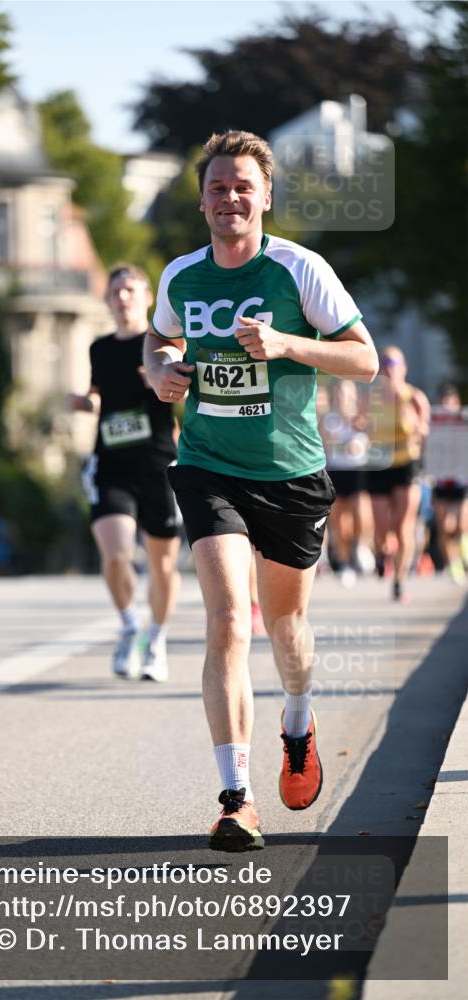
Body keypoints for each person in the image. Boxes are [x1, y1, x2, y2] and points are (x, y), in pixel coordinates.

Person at [144, 130, 378, 851]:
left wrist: (285, 345)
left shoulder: (298, 269)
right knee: (225, 621)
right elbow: (158, 344)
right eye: (217, 187)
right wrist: (160, 373)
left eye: (242, 185)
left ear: (265, 196)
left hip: (291, 474)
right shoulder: (181, 276)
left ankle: (298, 721)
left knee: (286, 633)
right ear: (203, 201)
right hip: (208, 465)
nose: (229, 197)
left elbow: (362, 359)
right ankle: (235, 798)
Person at [69, 264, 181, 682]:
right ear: (107, 300)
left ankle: (157, 638)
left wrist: (159, 377)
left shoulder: (164, 344)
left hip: (156, 463)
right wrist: (83, 403)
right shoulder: (99, 348)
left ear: (148, 297)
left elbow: (181, 389)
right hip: (111, 462)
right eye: (115, 291)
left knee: (162, 564)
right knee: (115, 555)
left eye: (130, 290)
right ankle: (130, 624)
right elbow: (100, 397)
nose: (123, 298)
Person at [365, 345, 430, 602]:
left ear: (403, 368)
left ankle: (400, 581)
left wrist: (414, 424)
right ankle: (383, 552)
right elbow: (360, 424)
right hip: (380, 464)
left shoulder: (414, 397)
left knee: (404, 525)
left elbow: (425, 432)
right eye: (385, 365)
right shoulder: (371, 398)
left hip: (407, 463)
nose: (390, 370)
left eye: (394, 365)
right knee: (382, 529)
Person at [321, 379, 375, 586]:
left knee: (362, 514)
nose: (344, 398)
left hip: (357, 470)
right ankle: (344, 562)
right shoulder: (329, 419)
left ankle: (361, 546)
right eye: (340, 394)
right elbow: (326, 442)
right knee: (339, 522)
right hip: (336, 471)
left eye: (347, 394)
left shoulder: (362, 418)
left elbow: (370, 441)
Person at [431, 383, 468, 585]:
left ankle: (464, 552)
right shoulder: (434, 423)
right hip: (441, 480)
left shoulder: (462, 422)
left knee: (462, 524)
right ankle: (453, 564)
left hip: (461, 480)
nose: (447, 405)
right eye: (443, 402)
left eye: (450, 402)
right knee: (446, 526)